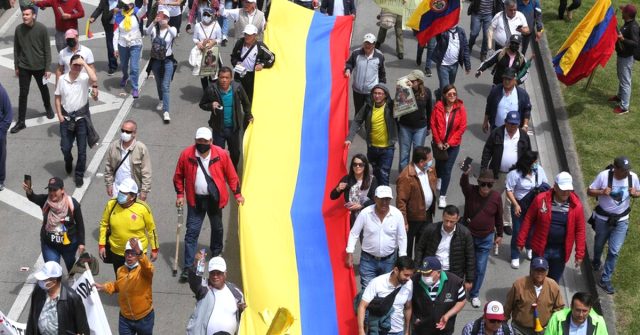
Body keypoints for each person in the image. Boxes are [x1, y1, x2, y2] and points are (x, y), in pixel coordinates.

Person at [173, 127, 245, 282]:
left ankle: (216, 253)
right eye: (199, 141)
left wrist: (237, 194)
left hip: (215, 200)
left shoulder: (221, 155)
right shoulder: (187, 155)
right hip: (195, 200)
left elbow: (232, 176)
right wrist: (180, 195)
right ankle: (188, 267)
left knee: (217, 228)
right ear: (195, 140)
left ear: (211, 141)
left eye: (205, 141)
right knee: (191, 233)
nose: (202, 143)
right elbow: (178, 176)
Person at [517, 172, 586, 282]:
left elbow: (580, 230)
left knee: (552, 284)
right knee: (535, 280)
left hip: (560, 252)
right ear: (555, 187)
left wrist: (579, 254)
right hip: (541, 248)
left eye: (568, 189)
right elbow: (528, 220)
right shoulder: (541, 200)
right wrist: (521, 240)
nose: (566, 192)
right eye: (563, 189)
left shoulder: (576, 206)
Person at [587, 156, 640, 294]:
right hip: (603, 219)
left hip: (622, 220)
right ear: (615, 168)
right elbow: (589, 191)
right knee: (599, 243)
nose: (627, 172)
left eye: (628, 169)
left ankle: (605, 279)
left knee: (614, 251)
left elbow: (638, 192)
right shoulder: (604, 176)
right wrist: (601, 192)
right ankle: (596, 260)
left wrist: (635, 194)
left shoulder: (632, 177)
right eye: (623, 170)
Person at [346, 185, 407, 289]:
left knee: (386, 290)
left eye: (387, 199)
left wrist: (402, 258)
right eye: (381, 199)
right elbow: (354, 233)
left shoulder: (397, 214)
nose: (384, 202)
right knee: (368, 290)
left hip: (389, 261)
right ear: (375, 198)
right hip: (368, 261)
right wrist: (350, 253)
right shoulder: (365, 213)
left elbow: (402, 237)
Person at [481, 111, 531, 236]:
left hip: (515, 175)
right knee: (492, 197)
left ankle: (506, 223)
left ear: (518, 124)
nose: (512, 127)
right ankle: (489, 221)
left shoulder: (524, 136)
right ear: (505, 122)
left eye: (515, 125)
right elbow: (487, 150)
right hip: (498, 173)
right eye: (510, 124)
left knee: (510, 201)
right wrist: (484, 168)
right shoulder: (497, 133)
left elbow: (528, 154)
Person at [460, 168, 503, 308]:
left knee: (480, 267)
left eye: (489, 185)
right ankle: (460, 289)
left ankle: (474, 294)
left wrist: (500, 234)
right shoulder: (470, 191)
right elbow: (463, 184)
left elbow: (499, 217)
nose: (486, 187)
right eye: (483, 184)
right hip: (469, 235)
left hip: (486, 237)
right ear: (478, 183)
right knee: (464, 264)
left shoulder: (496, 197)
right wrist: (465, 173)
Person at [24, 177, 85, 272]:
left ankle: (71, 278)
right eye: (50, 190)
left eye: (55, 190)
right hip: (49, 245)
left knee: (71, 266)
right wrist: (29, 191)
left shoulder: (72, 203)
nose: (52, 193)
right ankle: (56, 284)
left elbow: (80, 225)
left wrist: (81, 243)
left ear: (62, 190)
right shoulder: (45, 200)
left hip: (69, 246)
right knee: (52, 272)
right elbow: (33, 197)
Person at [54, 54, 98, 187]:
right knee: (65, 147)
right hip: (66, 119)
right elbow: (57, 97)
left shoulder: (84, 78)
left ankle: (79, 174)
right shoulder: (62, 79)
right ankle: (68, 160)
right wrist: (60, 115)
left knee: (82, 150)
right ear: (69, 65)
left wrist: (84, 64)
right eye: (75, 65)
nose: (77, 67)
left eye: (79, 65)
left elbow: (94, 78)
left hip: (81, 119)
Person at [95, 238, 155, 335]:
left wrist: (139, 252)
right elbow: (118, 285)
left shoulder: (144, 271)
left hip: (144, 318)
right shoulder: (120, 270)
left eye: (133, 253)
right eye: (127, 253)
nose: (129, 256)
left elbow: (148, 267)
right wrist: (104, 287)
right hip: (125, 319)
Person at [99, 177, 159, 274]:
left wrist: (154, 249)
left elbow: (151, 230)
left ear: (132, 196)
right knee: (121, 281)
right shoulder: (111, 204)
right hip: (117, 252)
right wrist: (101, 245)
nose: (120, 195)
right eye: (120, 192)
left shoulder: (143, 208)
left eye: (124, 193)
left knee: (136, 283)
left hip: (136, 253)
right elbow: (104, 225)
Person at [199, 66, 253, 170]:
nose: (224, 80)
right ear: (218, 77)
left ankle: (232, 171)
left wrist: (248, 115)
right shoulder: (211, 89)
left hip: (234, 128)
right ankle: (220, 172)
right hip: (219, 129)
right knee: (218, 154)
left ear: (231, 78)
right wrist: (211, 105)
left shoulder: (237, 88)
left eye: (227, 78)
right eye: (222, 77)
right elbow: (202, 104)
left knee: (235, 153)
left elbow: (246, 103)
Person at [11, 7, 54, 134]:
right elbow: (16, 49)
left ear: (34, 16)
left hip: (40, 67)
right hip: (24, 67)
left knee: (43, 89)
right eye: (23, 14)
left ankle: (48, 107)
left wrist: (47, 68)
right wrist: (16, 66)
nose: (24, 16)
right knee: (23, 94)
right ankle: (21, 122)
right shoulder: (18, 29)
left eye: (27, 14)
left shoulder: (41, 29)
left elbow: (47, 49)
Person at [345, 84, 396, 186]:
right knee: (376, 176)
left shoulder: (391, 106)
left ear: (385, 95)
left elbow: (407, 102)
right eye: (375, 93)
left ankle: (384, 200)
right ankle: (376, 199)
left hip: (387, 148)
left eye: (380, 94)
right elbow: (357, 121)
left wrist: (408, 87)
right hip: (372, 148)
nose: (377, 96)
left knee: (384, 176)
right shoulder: (368, 106)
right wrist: (349, 138)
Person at [414, 205, 475, 290]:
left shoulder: (465, 234)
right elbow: (420, 249)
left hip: (453, 274)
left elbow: (470, 257)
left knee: (449, 299)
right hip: (431, 271)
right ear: (442, 217)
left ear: (457, 219)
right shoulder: (431, 229)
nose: (448, 224)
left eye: (452, 221)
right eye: (446, 220)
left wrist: (469, 279)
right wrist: (417, 269)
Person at [505, 150, 548, 269]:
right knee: (518, 231)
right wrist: (516, 205)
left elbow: (545, 184)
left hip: (535, 206)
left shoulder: (539, 170)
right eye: (534, 162)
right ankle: (515, 255)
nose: (536, 164)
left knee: (532, 230)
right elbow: (509, 190)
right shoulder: (515, 174)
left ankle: (529, 247)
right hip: (520, 205)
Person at [186, 253, 246, 334]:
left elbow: (243, 315)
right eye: (212, 273)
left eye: (219, 273)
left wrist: (241, 309)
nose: (215, 276)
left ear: (225, 274)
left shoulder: (235, 292)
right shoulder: (204, 287)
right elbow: (194, 280)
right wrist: (198, 264)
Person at [504, 257, 565, 335]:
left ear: (547, 271)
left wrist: (552, 324)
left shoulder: (553, 286)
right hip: (520, 329)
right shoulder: (519, 284)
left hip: (543, 330)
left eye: (542, 270)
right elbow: (508, 305)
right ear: (531, 270)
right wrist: (503, 321)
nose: (539, 273)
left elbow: (559, 308)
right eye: (537, 270)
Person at [25, 261, 90, 335]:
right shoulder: (38, 291)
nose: (40, 282)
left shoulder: (72, 298)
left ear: (54, 281)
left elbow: (82, 327)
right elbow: (32, 318)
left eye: (44, 280)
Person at [356, 256, 415, 335]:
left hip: (399, 331)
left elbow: (408, 307)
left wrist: (407, 331)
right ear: (396, 270)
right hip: (380, 332)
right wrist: (361, 330)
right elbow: (362, 306)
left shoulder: (409, 283)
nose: (408, 278)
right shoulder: (377, 282)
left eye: (410, 275)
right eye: (406, 275)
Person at [430, 84, 467, 208]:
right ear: (444, 95)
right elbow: (433, 124)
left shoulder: (460, 108)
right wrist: (438, 142)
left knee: (447, 169)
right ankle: (439, 178)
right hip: (439, 143)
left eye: (454, 94)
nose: (452, 96)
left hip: (453, 144)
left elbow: (462, 127)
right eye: (449, 94)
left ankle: (442, 196)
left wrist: (449, 143)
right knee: (439, 164)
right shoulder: (438, 107)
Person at [396, 146, 436, 258]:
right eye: (429, 160)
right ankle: (406, 272)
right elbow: (401, 201)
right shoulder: (406, 176)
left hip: (427, 215)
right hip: (411, 218)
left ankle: (419, 271)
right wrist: (404, 221)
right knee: (406, 248)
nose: (431, 162)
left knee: (423, 247)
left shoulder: (429, 170)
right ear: (421, 162)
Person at [411, 256, 466, 335]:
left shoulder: (455, 282)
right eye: (423, 272)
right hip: (420, 330)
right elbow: (407, 303)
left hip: (444, 330)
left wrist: (448, 315)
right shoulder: (414, 281)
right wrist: (414, 318)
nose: (424, 276)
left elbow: (461, 300)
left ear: (438, 272)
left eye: (428, 273)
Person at [104, 119, 152, 201]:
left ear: (134, 133)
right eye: (122, 130)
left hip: (134, 192)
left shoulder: (141, 149)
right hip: (117, 189)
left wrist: (144, 191)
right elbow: (108, 167)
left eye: (128, 132)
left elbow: (146, 172)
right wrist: (109, 184)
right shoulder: (114, 146)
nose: (124, 133)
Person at [146, 9, 177, 123]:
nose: (161, 18)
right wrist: (154, 21)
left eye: (164, 17)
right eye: (160, 16)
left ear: (168, 19)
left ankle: (166, 111)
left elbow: (174, 34)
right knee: (159, 83)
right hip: (156, 60)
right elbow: (147, 32)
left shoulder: (172, 29)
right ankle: (161, 100)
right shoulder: (154, 29)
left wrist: (167, 25)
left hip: (168, 60)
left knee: (165, 86)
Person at [397, 70, 432, 173]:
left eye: (412, 80)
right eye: (409, 80)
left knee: (418, 155)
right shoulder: (404, 90)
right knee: (404, 154)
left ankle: (416, 176)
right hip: (405, 126)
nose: (409, 82)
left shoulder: (426, 92)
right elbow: (397, 108)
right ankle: (403, 177)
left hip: (420, 128)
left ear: (419, 81)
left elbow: (429, 110)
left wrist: (429, 127)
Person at [230, 24, 276, 102]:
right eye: (245, 34)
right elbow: (233, 57)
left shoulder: (260, 46)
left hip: (252, 77)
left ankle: (248, 113)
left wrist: (262, 65)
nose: (247, 37)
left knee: (250, 98)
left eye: (249, 35)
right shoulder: (239, 43)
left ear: (255, 35)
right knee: (236, 96)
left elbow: (272, 57)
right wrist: (236, 63)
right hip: (239, 74)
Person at [330, 153, 378, 227]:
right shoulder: (346, 179)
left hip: (366, 216)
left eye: (360, 165)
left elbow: (375, 199)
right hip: (350, 217)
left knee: (364, 238)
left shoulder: (372, 180)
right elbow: (332, 196)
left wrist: (361, 205)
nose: (357, 167)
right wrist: (338, 189)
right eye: (355, 164)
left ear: (365, 166)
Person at [344, 33, 386, 116]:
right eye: (366, 43)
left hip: (371, 91)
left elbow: (382, 72)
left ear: (374, 44)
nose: (367, 45)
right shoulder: (356, 53)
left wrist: (381, 87)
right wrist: (348, 69)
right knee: (358, 111)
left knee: (369, 112)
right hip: (357, 90)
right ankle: (358, 127)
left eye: (370, 43)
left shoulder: (379, 56)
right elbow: (349, 63)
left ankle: (367, 128)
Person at [113, 0, 148, 98]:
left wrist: (145, 4)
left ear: (132, 4)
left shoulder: (136, 12)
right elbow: (115, 33)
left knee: (134, 67)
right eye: (124, 4)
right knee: (124, 65)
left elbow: (143, 11)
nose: (126, 5)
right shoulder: (119, 15)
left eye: (128, 4)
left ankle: (135, 87)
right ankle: (125, 76)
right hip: (122, 44)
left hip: (135, 43)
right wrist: (115, 48)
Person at [609, 4, 639, 115]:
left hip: (626, 58)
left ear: (627, 14)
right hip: (622, 55)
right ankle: (620, 96)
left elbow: (635, 43)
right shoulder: (628, 23)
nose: (622, 12)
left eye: (624, 11)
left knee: (625, 81)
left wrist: (623, 39)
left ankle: (624, 107)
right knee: (621, 77)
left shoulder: (633, 27)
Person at [432, 25, 471, 92]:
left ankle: (438, 93)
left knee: (450, 86)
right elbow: (436, 31)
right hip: (443, 65)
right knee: (445, 89)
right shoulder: (442, 31)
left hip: (454, 65)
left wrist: (467, 65)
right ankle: (443, 101)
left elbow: (465, 48)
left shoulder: (461, 31)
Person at [192, 7, 222, 90]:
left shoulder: (216, 25)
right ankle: (206, 93)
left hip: (213, 52)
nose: (206, 16)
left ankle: (215, 92)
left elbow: (220, 39)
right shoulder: (198, 25)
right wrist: (198, 43)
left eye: (208, 15)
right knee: (203, 75)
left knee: (214, 75)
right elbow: (194, 38)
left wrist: (213, 42)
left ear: (212, 16)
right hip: (202, 51)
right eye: (204, 14)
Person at [89, 0, 119, 75]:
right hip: (109, 25)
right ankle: (112, 66)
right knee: (110, 46)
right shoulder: (104, 1)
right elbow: (99, 9)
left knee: (122, 46)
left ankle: (125, 63)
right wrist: (93, 17)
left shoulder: (123, 1)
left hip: (121, 26)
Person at [0, 83, 11, 191]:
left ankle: (0, 179)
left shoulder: (1, 92)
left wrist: (1, 132)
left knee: (0, 156)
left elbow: (8, 114)